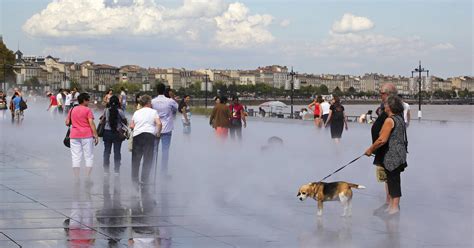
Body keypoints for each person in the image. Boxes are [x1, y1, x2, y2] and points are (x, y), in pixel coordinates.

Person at [365, 95, 408, 216]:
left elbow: (382, 140)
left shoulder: (390, 120)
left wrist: (370, 149)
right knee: (394, 180)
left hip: (392, 155)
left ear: (389, 107)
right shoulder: (399, 118)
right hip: (400, 154)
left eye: (386, 104)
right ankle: (392, 207)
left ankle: (394, 209)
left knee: (392, 181)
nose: (384, 106)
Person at [370, 83, 398, 215]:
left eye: (381, 93)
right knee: (386, 177)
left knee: (392, 178)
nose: (379, 95)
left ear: (388, 94)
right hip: (382, 149)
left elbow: (387, 133)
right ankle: (389, 203)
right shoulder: (385, 107)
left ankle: (393, 206)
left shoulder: (393, 109)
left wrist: (372, 148)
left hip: (388, 149)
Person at [66, 93, 99, 180]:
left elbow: (66, 123)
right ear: (84, 100)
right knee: (88, 156)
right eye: (88, 99)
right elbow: (91, 123)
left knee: (76, 157)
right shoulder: (87, 110)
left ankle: (76, 177)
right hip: (87, 135)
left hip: (74, 135)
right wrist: (95, 135)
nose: (89, 101)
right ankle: (87, 177)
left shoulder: (72, 109)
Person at [130, 95, 162, 186]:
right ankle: (144, 179)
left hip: (137, 136)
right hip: (149, 136)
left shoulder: (136, 112)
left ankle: (134, 179)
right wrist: (158, 134)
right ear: (148, 103)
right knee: (147, 159)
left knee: (136, 159)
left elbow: (131, 126)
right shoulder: (154, 112)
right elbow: (159, 124)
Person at [151, 83, 178, 176]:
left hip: (155, 129)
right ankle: (163, 172)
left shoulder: (153, 101)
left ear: (157, 90)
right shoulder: (170, 101)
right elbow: (177, 108)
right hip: (167, 129)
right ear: (164, 90)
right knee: (165, 151)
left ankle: (152, 170)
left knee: (154, 151)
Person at [102, 95, 127, 175]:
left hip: (107, 132)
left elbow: (103, 119)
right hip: (117, 133)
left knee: (106, 152)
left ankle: (106, 170)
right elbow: (125, 121)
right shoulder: (120, 111)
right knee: (117, 152)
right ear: (117, 103)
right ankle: (116, 171)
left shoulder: (106, 110)